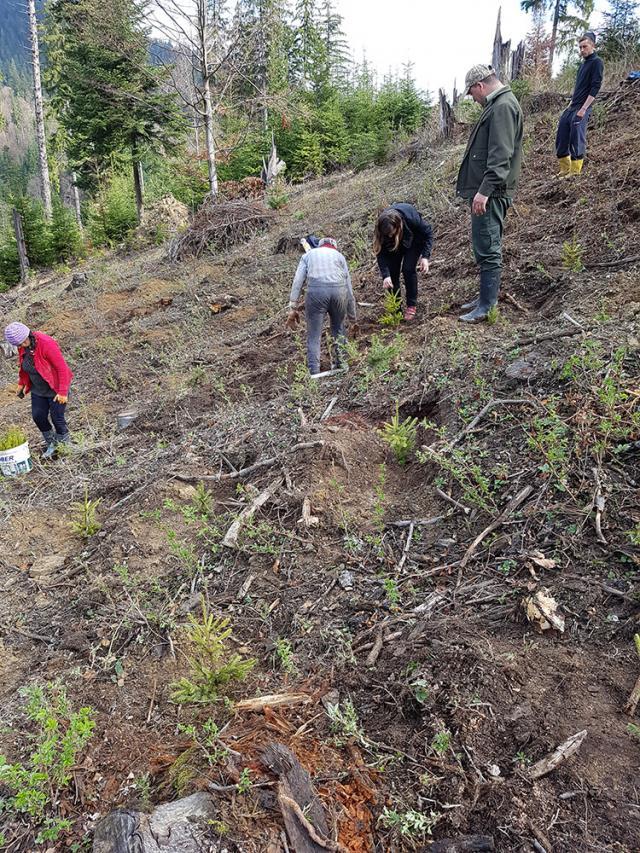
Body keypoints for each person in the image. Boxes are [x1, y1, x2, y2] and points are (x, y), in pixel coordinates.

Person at [456, 64, 523, 323]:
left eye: (472, 94)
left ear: (480, 86)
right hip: (490, 191)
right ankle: (484, 297)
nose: (473, 99)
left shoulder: (503, 106)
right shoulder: (497, 105)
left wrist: (484, 191)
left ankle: (487, 305)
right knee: (484, 244)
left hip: (493, 193)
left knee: (488, 246)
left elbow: (501, 155)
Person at [286, 237, 357, 377]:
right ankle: (341, 364)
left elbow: (298, 281)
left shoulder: (308, 255)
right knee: (338, 328)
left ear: (320, 246)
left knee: (314, 334)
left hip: (316, 292)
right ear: (334, 247)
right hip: (339, 292)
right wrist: (353, 318)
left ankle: (314, 371)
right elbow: (349, 290)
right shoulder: (339, 257)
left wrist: (292, 306)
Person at [4, 322, 73, 459]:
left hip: (55, 388)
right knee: (38, 416)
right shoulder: (22, 346)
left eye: (23, 342)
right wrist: (21, 383)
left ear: (28, 335)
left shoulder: (46, 343)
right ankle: (52, 444)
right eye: (18, 345)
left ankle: (65, 446)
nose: (21, 346)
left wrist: (63, 392)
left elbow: (62, 368)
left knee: (57, 418)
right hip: (38, 389)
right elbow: (24, 366)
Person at [373, 203, 433, 322]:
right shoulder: (382, 230)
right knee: (392, 276)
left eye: (392, 233)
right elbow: (381, 254)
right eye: (387, 235)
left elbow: (428, 234)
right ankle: (396, 309)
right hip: (394, 246)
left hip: (414, 239)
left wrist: (425, 257)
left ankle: (411, 305)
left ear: (398, 225)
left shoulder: (411, 219)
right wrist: (386, 275)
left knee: (408, 269)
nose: (390, 235)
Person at [555, 32, 604, 178]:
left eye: (585, 46)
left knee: (577, 137)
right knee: (562, 135)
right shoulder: (583, 64)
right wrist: (571, 104)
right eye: (580, 47)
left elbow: (595, 87)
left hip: (583, 107)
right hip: (572, 106)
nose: (582, 50)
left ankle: (575, 172)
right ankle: (565, 169)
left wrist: (584, 108)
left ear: (593, 46)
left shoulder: (597, 62)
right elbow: (579, 87)